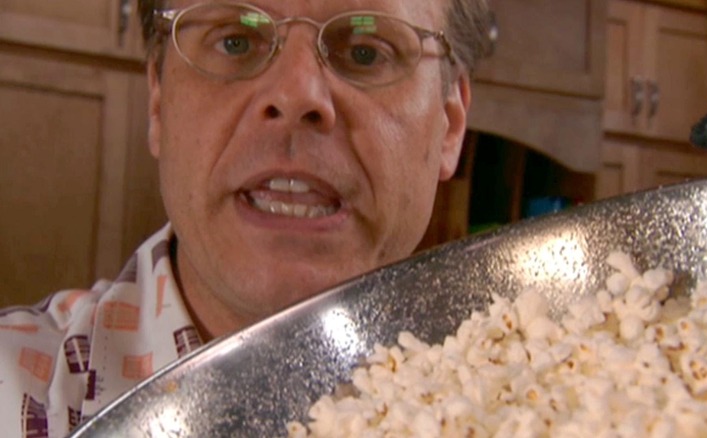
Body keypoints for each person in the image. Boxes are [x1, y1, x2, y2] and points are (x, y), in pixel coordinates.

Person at [0, 0, 493, 436]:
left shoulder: (537, 402)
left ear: (449, 124)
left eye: (366, 52)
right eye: (235, 42)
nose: (298, 94)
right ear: (157, 98)